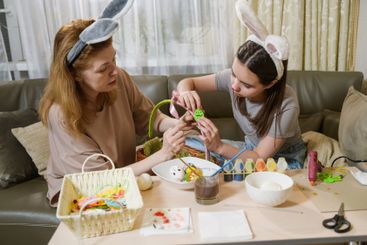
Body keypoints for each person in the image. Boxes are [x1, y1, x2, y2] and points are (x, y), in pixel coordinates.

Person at [39, 18, 187, 206]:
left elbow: (152, 118)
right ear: (75, 75)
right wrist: (163, 153)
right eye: (103, 69)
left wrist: (180, 123)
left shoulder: (118, 80)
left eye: (114, 60)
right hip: (85, 189)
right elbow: (102, 181)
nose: (114, 71)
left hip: (124, 173)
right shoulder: (61, 115)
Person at [175, 1, 307, 169]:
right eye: (233, 73)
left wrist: (219, 147)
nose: (234, 86)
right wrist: (185, 93)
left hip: (284, 160)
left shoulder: (287, 105)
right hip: (249, 150)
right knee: (184, 143)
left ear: (270, 83)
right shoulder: (232, 80)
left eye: (246, 85)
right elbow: (187, 82)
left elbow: (259, 157)